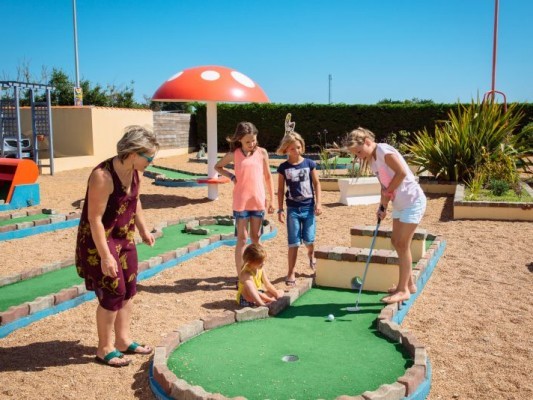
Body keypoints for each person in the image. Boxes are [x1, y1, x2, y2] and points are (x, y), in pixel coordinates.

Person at [75, 125, 159, 367]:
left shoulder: (136, 172)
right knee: (113, 292)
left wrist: (143, 229)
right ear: (133, 153)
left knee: (129, 290)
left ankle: (123, 341)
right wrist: (105, 256)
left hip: (125, 237)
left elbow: (136, 200)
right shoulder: (102, 176)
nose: (151, 161)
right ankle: (104, 349)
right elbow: (94, 219)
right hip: (100, 240)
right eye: (149, 157)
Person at [343, 127, 426, 304]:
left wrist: (388, 191)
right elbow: (384, 186)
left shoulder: (383, 150)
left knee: (403, 244)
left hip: (412, 201)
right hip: (399, 203)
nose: (358, 156)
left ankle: (403, 290)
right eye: (354, 154)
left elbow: (402, 173)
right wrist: (383, 206)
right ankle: (408, 284)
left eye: (358, 152)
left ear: (367, 141)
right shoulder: (372, 160)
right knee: (396, 242)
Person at [215, 122, 275, 283]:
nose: (251, 144)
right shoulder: (234, 154)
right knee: (242, 239)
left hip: (258, 202)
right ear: (240, 140)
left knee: (256, 238)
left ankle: (258, 275)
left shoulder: (262, 153)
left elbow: (268, 177)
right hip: (241, 202)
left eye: (254, 140)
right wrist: (232, 177)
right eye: (248, 141)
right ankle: (241, 276)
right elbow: (218, 166)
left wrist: (272, 200)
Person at [276, 131, 322, 287]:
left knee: (309, 239)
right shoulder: (283, 167)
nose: (295, 151)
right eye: (291, 149)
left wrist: (319, 203)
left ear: (302, 146)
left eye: (298, 147)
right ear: (285, 150)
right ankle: (291, 271)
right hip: (292, 209)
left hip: (308, 207)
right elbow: (281, 189)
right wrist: (280, 209)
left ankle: (311, 254)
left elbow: (316, 184)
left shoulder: (309, 163)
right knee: (294, 242)